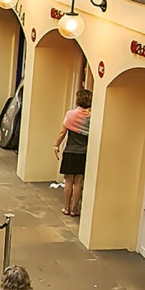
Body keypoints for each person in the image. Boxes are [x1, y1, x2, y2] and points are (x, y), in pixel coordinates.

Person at [55, 89, 92, 217]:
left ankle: (66, 207)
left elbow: (63, 132)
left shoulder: (70, 114)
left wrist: (56, 145)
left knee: (68, 180)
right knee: (79, 182)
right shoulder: (91, 117)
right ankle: (74, 209)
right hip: (83, 153)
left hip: (70, 151)